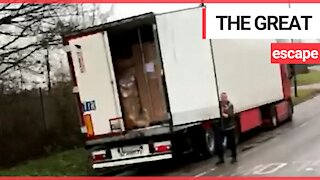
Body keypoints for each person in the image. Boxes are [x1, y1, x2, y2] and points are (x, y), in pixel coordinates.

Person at [215, 92, 237, 165]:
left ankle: (234, 157)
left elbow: (230, 115)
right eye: (222, 98)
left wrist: (224, 113)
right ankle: (221, 159)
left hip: (229, 127)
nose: (224, 99)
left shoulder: (230, 105)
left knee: (231, 143)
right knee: (218, 143)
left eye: (225, 97)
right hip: (221, 127)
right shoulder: (218, 105)